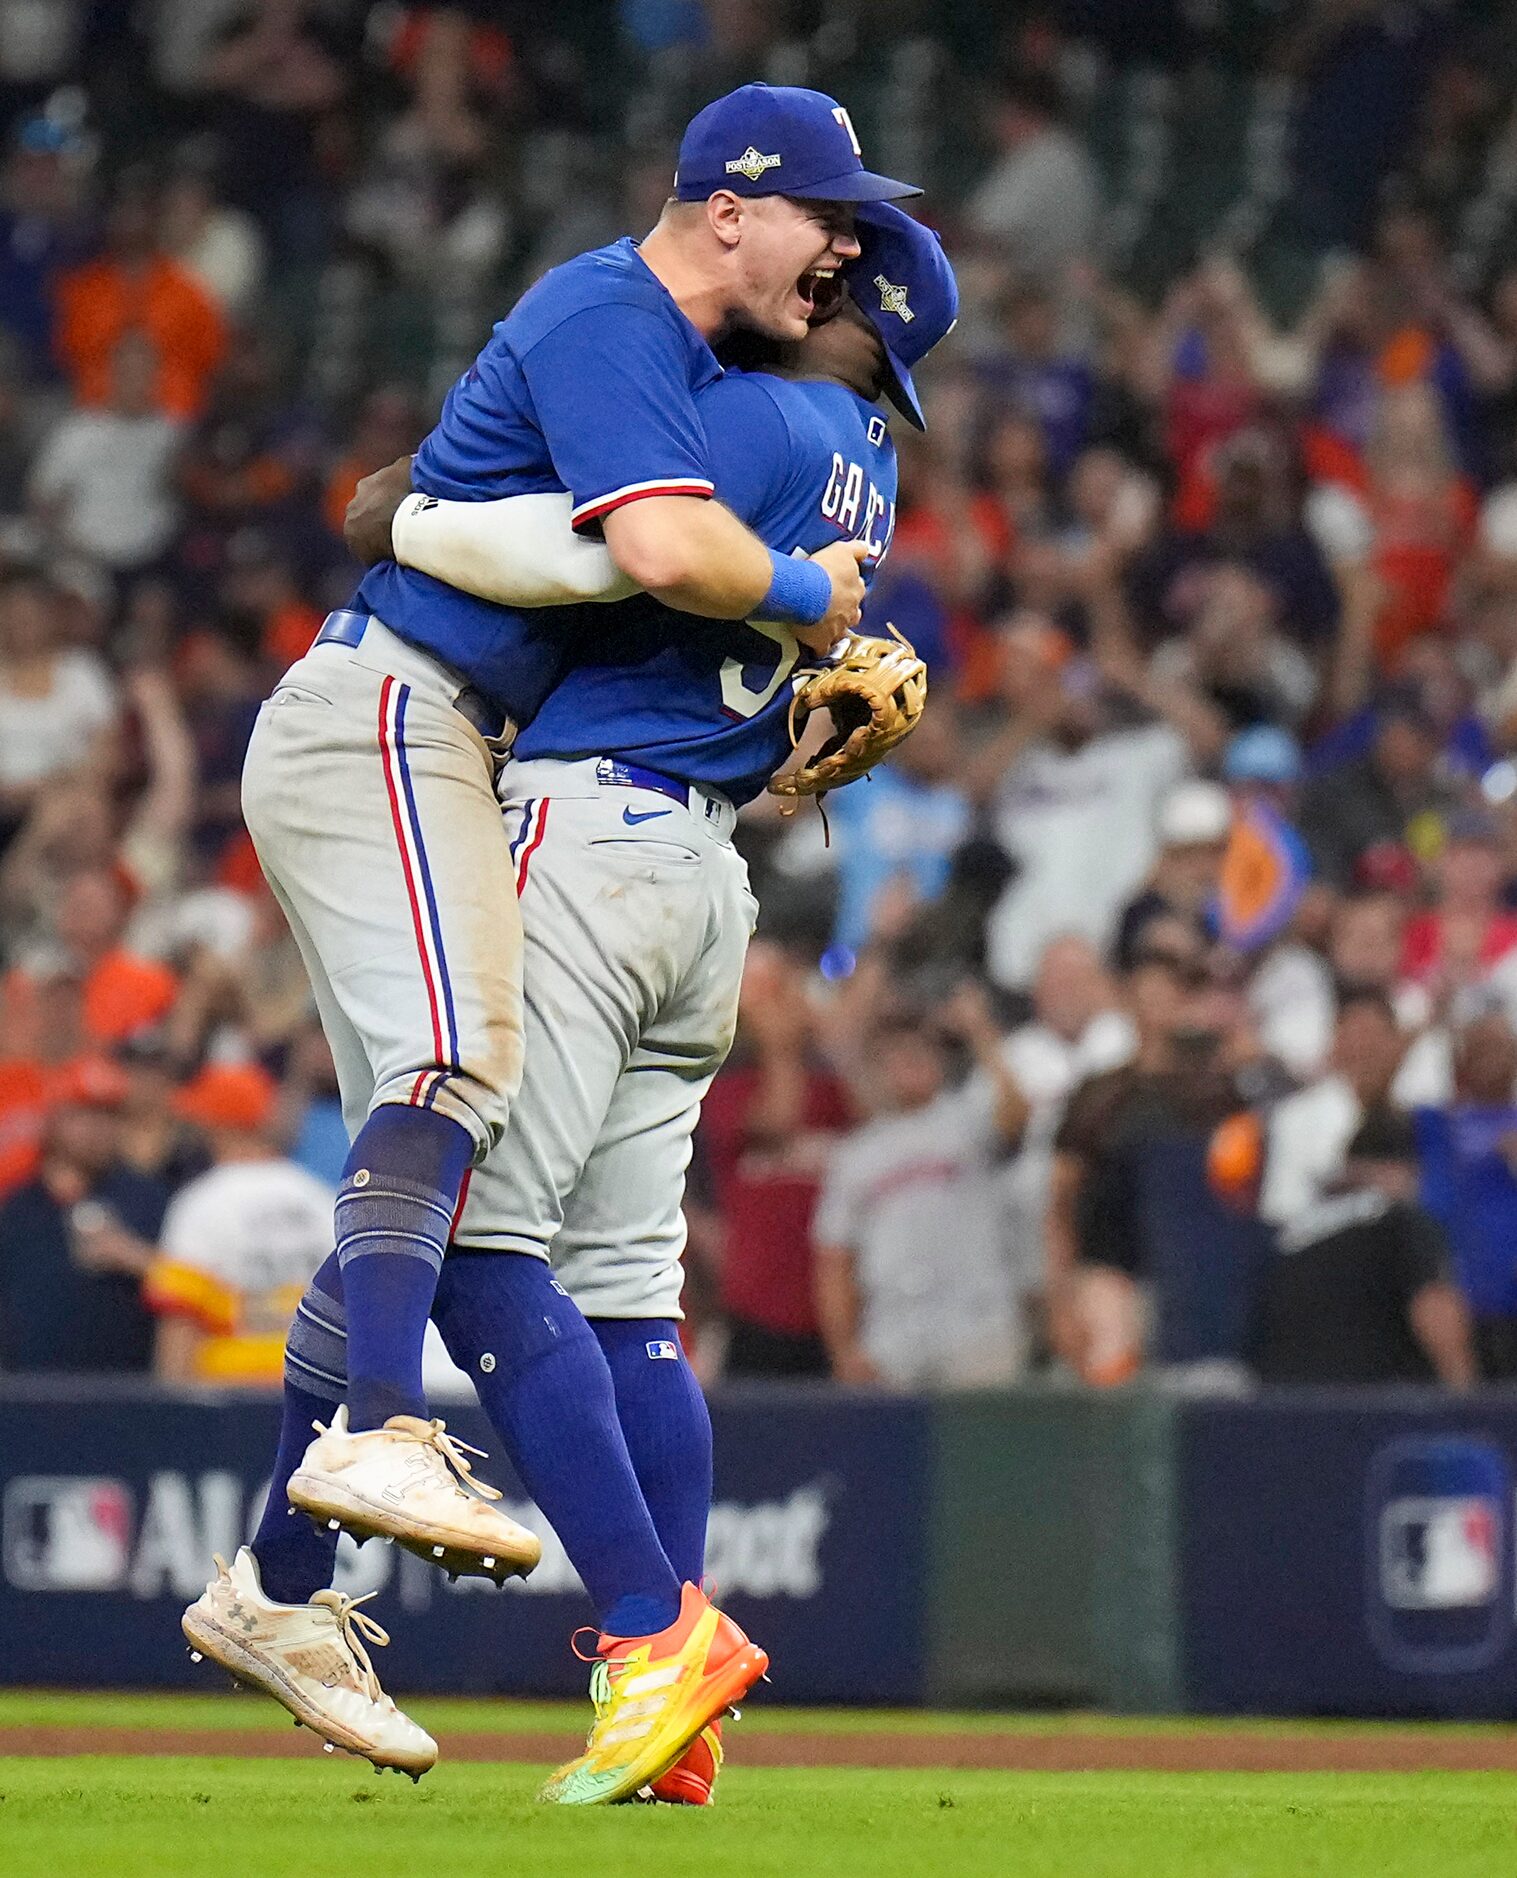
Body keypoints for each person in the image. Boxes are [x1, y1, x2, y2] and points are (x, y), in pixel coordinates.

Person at [187, 196, 954, 1801]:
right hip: (709, 882)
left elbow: (595, 529)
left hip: (584, 830)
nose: (800, 273)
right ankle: (650, 1715)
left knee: (455, 1221)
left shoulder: (738, 411)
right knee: (623, 1298)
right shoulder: (868, 471)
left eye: (824, 269)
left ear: (838, 301)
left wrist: (401, 505)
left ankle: (645, 1629)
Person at [813, 985, 1031, 1389]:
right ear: (877, 1069)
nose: (908, 1063)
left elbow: (1017, 1115)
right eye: (895, 1055)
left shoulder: (967, 1121)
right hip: (892, 1335)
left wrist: (980, 1031)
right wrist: (844, 1350)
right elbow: (834, 1259)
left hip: (977, 1326)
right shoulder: (856, 1154)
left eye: (918, 1052)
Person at [1253, 1109, 1476, 1388]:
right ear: (1406, 1168)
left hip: (1281, 1406)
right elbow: (1433, 1305)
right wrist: (1466, 1396)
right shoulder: (1400, 1221)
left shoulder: (1291, 1232)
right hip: (1371, 1410)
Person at [144, 1062, 334, 1385]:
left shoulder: (201, 1204)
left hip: (230, 1404)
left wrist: (171, 1419)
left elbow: (180, 1329)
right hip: (317, 1403)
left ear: (217, 1126)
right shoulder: (322, 1200)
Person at [0, 1057, 168, 1373]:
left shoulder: (148, 1199)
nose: (96, 1129)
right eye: (83, 1114)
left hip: (126, 1396)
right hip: (29, 1396)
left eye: (108, 1116)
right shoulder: (18, 1207)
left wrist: (136, 1257)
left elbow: (192, 1290)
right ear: (54, 1118)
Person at [1414, 1011, 1517, 1379]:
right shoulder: (1434, 1123)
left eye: (1501, 1050)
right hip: (1462, 1290)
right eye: (1481, 1050)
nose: (1492, 1060)